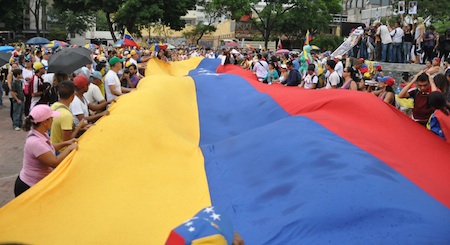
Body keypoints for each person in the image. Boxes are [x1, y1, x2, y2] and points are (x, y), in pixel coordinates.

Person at [14, 104, 78, 197]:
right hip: (28, 187)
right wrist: (69, 148)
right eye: (51, 118)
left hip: (36, 184)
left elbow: (49, 148)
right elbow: (54, 162)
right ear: (45, 122)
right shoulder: (35, 142)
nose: (53, 121)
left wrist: (66, 143)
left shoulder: (40, 134)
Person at [50, 81, 88, 148]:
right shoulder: (66, 115)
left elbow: (59, 130)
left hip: (53, 146)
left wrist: (81, 129)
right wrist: (80, 126)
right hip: (62, 151)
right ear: (73, 96)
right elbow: (67, 141)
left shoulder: (54, 106)